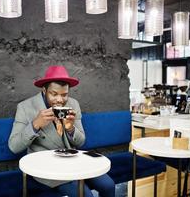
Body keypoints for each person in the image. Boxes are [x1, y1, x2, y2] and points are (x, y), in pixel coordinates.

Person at [8, 65, 115, 197]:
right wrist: (35, 124)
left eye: (64, 95)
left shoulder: (73, 104)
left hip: (73, 160)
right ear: (44, 89)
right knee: (86, 195)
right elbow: (13, 146)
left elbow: (81, 142)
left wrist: (70, 128)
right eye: (54, 94)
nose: (60, 100)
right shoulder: (25, 107)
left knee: (109, 186)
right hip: (47, 167)